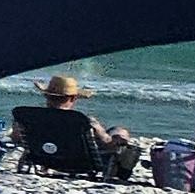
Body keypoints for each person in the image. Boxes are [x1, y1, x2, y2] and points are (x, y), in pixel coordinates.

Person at [12, 75, 141, 182]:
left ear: (46, 96)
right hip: (81, 163)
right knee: (120, 132)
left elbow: (17, 139)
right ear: (73, 98)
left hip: (43, 157)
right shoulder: (83, 121)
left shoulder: (27, 117)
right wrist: (117, 140)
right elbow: (107, 144)